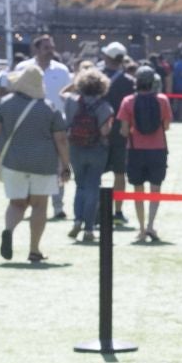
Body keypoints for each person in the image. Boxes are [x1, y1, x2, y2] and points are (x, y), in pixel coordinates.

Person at [0, 63, 69, 263]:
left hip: (13, 162)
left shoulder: (5, 103)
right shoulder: (49, 107)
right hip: (43, 163)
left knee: (16, 204)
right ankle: (34, 249)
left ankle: (8, 230)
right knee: (39, 206)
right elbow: (60, 139)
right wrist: (66, 165)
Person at [15, 34, 74, 222]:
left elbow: (70, 94)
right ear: (37, 49)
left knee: (59, 165)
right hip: (29, 126)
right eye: (46, 47)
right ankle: (32, 203)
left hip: (57, 126)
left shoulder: (62, 70)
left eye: (52, 47)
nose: (51, 50)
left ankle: (58, 206)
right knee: (30, 166)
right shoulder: (22, 69)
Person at [116, 67, 173, 244]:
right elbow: (167, 126)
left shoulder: (128, 101)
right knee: (155, 189)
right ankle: (150, 224)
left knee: (138, 190)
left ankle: (141, 228)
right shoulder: (162, 100)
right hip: (158, 149)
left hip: (135, 150)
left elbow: (124, 131)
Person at [62, 68, 117, 243]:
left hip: (75, 148)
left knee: (80, 185)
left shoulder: (71, 102)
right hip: (97, 150)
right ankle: (89, 228)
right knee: (93, 186)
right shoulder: (104, 107)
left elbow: (66, 117)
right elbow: (104, 131)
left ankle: (77, 219)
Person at [99, 43, 136, 227]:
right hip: (122, 132)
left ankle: (97, 211)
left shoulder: (97, 78)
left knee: (96, 172)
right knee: (120, 173)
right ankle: (118, 211)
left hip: (98, 132)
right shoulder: (129, 81)